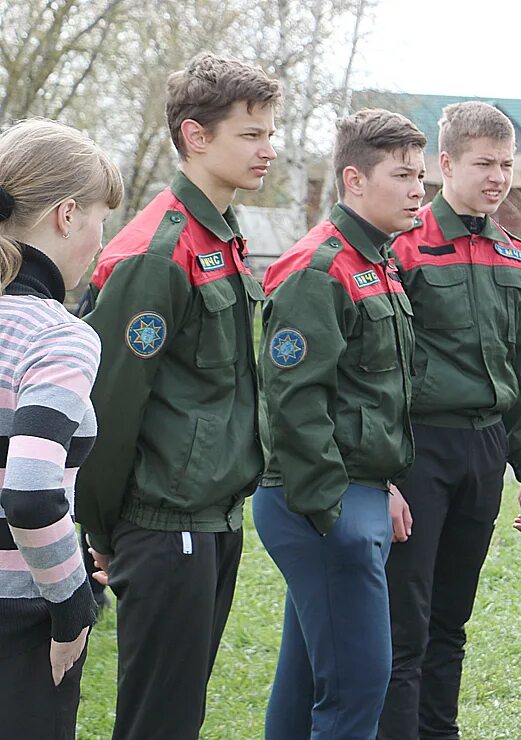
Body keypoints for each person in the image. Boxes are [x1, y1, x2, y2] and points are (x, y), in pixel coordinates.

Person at [74, 53, 281, 740]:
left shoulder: (219, 236)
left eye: (270, 132)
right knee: (158, 721)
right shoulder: (156, 253)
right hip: (165, 526)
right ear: (196, 136)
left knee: (179, 714)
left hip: (214, 517)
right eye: (251, 134)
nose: (269, 149)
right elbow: (107, 410)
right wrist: (104, 532)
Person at [253, 108, 426, 738]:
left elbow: (362, 399)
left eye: (421, 176)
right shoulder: (318, 268)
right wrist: (339, 516)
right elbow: (295, 407)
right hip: (320, 503)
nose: (419, 190)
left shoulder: (375, 262)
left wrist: (380, 486)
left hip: (353, 495)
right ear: (354, 180)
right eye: (403, 175)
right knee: (357, 690)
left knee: (305, 691)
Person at [379, 101, 521, 740]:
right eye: (484, 163)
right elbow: (380, 367)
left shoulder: (514, 253)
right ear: (445, 164)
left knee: (451, 619)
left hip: (486, 447)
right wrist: (384, 469)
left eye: (507, 164)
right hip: (421, 447)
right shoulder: (405, 246)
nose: (498, 176)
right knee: (406, 620)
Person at [0, 119, 123, 738]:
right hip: (20, 620)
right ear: (67, 215)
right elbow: (28, 489)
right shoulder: (58, 334)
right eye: (103, 217)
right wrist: (73, 606)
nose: (104, 240)